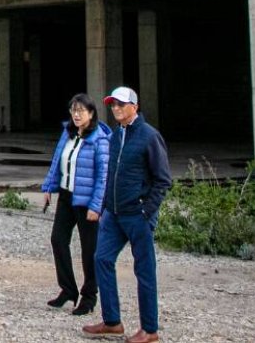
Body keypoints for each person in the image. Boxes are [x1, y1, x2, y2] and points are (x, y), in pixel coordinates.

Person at [83, 86, 172, 343]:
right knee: (101, 258)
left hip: (137, 215)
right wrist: (103, 206)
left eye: (121, 104)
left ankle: (149, 329)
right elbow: (110, 173)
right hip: (114, 213)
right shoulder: (115, 136)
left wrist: (146, 210)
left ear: (135, 106)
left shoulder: (148, 136)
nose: (116, 109)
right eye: (113, 105)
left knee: (144, 270)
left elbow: (163, 180)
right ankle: (112, 321)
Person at [40, 93, 111, 316]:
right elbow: (58, 161)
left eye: (81, 110)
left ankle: (89, 297)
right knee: (58, 240)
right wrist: (49, 187)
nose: (77, 114)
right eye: (73, 110)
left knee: (89, 250)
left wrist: (96, 206)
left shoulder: (99, 139)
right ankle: (68, 289)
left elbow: (103, 176)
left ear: (91, 113)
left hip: (87, 201)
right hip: (66, 196)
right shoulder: (68, 133)